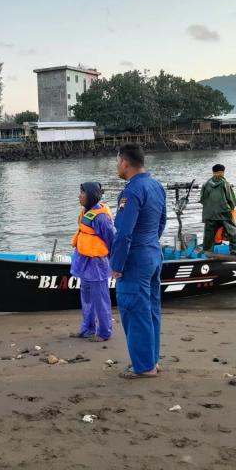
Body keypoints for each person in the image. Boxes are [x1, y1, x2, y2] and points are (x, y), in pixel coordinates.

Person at [110, 143, 167, 379]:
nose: (116, 166)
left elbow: (123, 233)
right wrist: (151, 245)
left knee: (135, 311)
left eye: (117, 161)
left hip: (136, 259)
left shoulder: (131, 191)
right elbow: (162, 221)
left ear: (124, 162)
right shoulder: (156, 186)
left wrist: (117, 265)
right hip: (153, 254)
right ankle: (151, 360)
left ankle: (144, 367)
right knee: (151, 310)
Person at [69, 182, 115, 342]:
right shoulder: (84, 212)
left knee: (101, 299)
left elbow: (111, 239)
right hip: (84, 263)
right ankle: (87, 329)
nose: (79, 196)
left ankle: (104, 332)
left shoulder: (101, 217)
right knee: (86, 298)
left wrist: (115, 262)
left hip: (97, 264)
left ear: (90, 195)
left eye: (82, 193)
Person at [200, 164, 236, 255]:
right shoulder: (225, 183)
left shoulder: (206, 184)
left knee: (209, 235)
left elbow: (202, 199)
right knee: (232, 232)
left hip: (209, 214)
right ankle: (234, 251)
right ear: (223, 172)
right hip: (224, 212)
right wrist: (231, 208)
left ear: (213, 172)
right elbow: (231, 199)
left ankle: (207, 252)